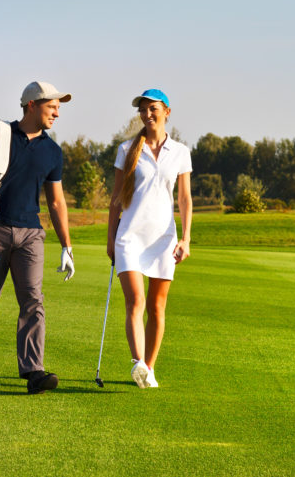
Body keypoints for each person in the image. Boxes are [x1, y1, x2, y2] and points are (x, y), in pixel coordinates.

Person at [0, 81, 76, 395]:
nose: (57, 113)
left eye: (59, 107)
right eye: (52, 106)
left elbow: (57, 202)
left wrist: (67, 245)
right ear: (32, 105)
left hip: (32, 233)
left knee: (33, 301)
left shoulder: (53, 151)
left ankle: (33, 371)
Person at [107, 88, 193, 389]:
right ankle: (138, 362)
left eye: (153, 108)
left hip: (163, 239)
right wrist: (110, 240)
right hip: (129, 236)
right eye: (143, 109)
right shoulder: (127, 149)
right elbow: (116, 200)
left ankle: (149, 368)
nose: (147, 114)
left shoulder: (181, 152)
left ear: (167, 111)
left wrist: (186, 239)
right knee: (136, 300)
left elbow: (184, 199)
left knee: (157, 307)